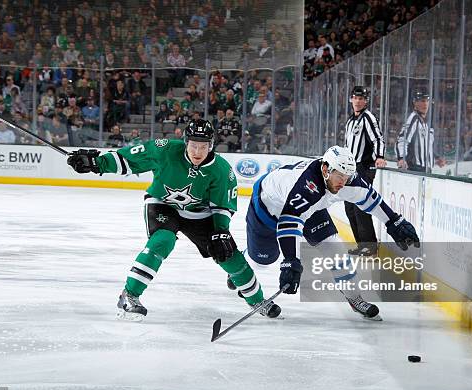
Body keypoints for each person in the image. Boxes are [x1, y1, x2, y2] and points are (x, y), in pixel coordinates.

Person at [66, 119, 281, 320]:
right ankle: (129, 296)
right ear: (186, 142)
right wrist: (96, 163)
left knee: (227, 253)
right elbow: (128, 159)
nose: (198, 151)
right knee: (162, 241)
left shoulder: (222, 171)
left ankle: (256, 300)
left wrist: (220, 231)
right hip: (163, 204)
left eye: (204, 146)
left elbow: (222, 206)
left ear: (211, 145)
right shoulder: (164, 150)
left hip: (200, 213)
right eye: (194, 145)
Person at [232, 145, 419, 321]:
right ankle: (243, 267)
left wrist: (394, 221)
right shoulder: (305, 185)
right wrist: (291, 260)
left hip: (311, 208)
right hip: (267, 206)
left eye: (347, 177)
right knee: (263, 260)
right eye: (340, 177)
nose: (343, 183)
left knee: (336, 250)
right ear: (325, 169)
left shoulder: (346, 180)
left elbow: (370, 198)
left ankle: (354, 298)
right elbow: (290, 222)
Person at [343, 86, 386, 256]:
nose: (358, 101)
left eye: (362, 98)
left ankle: (370, 246)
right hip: (350, 170)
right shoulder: (350, 121)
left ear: (366, 101)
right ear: (351, 99)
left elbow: (377, 138)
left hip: (363, 168)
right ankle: (362, 245)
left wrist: (380, 156)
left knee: (360, 207)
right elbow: (347, 146)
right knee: (349, 208)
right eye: (356, 98)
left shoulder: (368, 118)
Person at [396, 90, 446, 172]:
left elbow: (425, 147)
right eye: (422, 101)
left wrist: (435, 158)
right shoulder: (413, 118)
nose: (425, 104)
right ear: (415, 103)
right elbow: (402, 140)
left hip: (426, 169)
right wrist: (401, 158)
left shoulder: (425, 123)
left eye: (427, 101)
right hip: (415, 168)